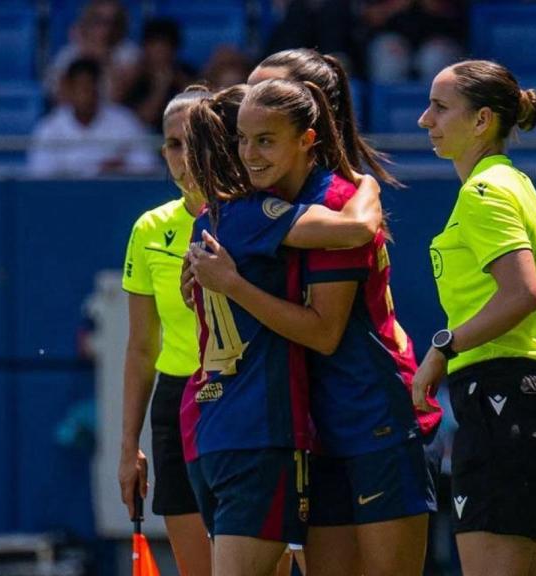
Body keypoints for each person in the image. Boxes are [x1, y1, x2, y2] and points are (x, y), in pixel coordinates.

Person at [187, 78, 441, 576]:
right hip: (294, 427)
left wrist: (231, 284)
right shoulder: (259, 211)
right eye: (243, 138)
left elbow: (325, 331)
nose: (250, 152)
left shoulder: (327, 202)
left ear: (308, 136)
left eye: (265, 138)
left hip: (365, 416)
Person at [411, 59, 536, 576]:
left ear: (482, 120)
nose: (426, 120)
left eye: (440, 108)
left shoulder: (483, 195)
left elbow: (524, 295)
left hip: (502, 410)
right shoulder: (523, 189)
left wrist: (441, 350)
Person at [117, 87, 214, 576]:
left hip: (241, 396)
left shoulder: (253, 215)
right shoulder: (149, 229)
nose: (184, 156)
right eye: (173, 144)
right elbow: (139, 347)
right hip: (177, 404)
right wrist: (127, 445)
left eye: (195, 140)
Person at [249, 48, 399, 188]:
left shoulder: (344, 205)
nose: (246, 107)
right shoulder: (237, 186)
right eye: (247, 95)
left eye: (267, 98)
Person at [28, 58, 157, 177]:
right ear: (69, 90)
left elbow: (147, 164)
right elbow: (40, 174)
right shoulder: (50, 127)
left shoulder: (124, 120)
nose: (86, 94)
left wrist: (120, 168)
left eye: (91, 86)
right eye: (81, 87)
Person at [46, 0, 140, 102]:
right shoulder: (70, 53)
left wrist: (99, 55)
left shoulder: (130, 52)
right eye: (100, 21)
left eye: (114, 21)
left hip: (114, 114)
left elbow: (117, 97)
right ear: (88, 22)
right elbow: (59, 96)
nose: (107, 28)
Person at [116, 18, 195, 133]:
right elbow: (139, 122)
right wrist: (160, 88)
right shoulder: (135, 79)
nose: (159, 52)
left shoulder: (185, 73)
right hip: (143, 142)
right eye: (154, 45)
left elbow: (200, 111)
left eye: (165, 46)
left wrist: (179, 82)